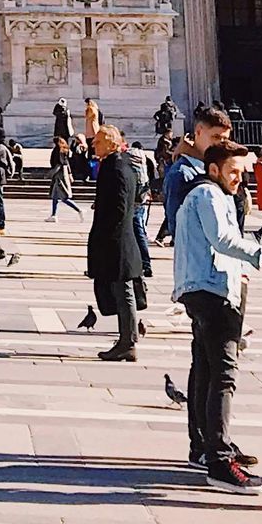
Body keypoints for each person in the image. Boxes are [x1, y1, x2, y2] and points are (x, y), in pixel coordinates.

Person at [172, 141, 262, 489]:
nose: (239, 179)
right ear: (214, 170)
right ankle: (219, 462)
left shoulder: (203, 195)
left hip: (201, 287)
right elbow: (223, 239)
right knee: (224, 374)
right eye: (233, 172)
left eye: (242, 173)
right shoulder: (209, 196)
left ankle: (205, 447)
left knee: (207, 370)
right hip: (212, 291)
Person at [86, 126, 146, 362]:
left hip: (117, 242)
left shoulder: (117, 168)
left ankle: (128, 343)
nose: (94, 144)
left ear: (111, 143)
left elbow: (119, 209)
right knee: (122, 292)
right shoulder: (116, 165)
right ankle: (126, 341)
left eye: (98, 141)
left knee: (124, 293)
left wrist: (106, 238)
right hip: (118, 240)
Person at [161, 103, 230, 242]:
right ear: (198, 131)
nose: (221, 145)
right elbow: (177, 227)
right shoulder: (181, 174)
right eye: (216, 137)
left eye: (225, 139)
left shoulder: (216, 168)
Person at [48, 133, 83, 218]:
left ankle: (78, 209)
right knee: (55, 196)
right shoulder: (63, 151)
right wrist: (70, 173)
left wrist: (51, 173)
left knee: (63, 197)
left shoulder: (57, 150)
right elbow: (66, 163)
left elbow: (60, 163)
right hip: (62, 173)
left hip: (59, 175)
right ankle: (53, 215)